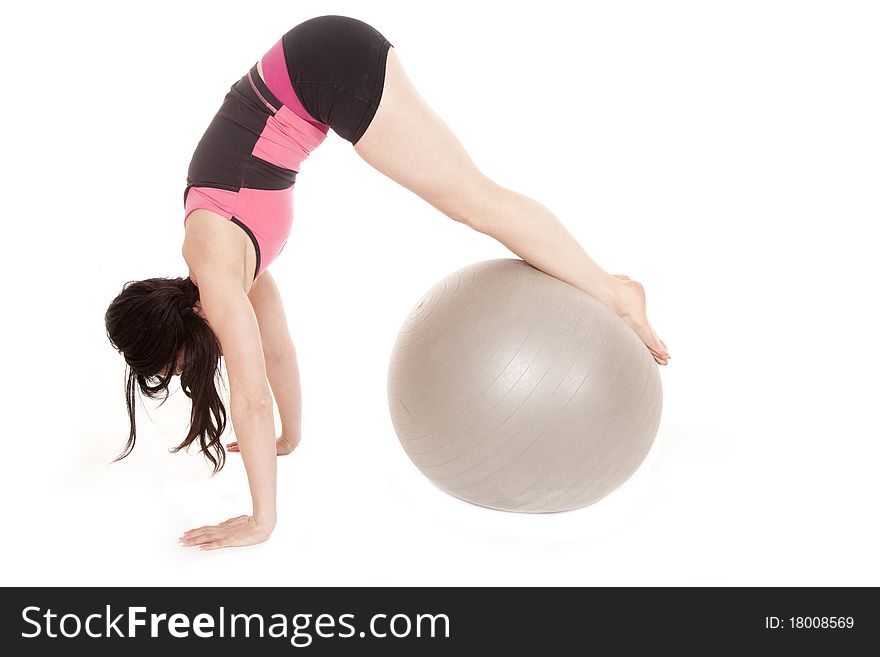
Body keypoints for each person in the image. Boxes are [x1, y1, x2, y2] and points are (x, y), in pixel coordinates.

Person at [104, 15, 669, 551]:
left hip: (327, 67)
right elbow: (277, 352)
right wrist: (288, 438)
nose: (187, 373)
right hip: (319, 67)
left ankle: (618, 293)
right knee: (469, 197)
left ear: (176, 339)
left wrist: (260, 520)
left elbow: (251, 397)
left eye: (176, 367)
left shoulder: (217, 272)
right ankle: (610, 287)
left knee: (470, 200)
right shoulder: (232, 271)